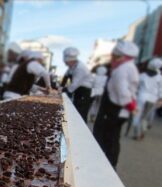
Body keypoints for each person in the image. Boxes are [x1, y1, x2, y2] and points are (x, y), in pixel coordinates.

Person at [93, 40, 139, 168]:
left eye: (115, 55)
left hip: (115, 108)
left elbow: (122, 90)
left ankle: (108, 165)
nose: (113, 58)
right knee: (111, 137)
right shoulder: (128, 67)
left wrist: (130, 105)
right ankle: (108, 163)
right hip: (118, 107)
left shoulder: (123, 69)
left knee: (108, 138)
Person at [131, 58, 162, 140]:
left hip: (141, 98)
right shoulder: (160, 78)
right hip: (152, 99)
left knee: (137, 116)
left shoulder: (142, 75)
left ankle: (137, 133)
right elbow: (161, 90)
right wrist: (160, 99)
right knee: (144, 117)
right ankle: (142, 132)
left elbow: (135, 87)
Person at [62, 47, 94, 122]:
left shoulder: (80, 68)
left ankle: (81, 130)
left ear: (71, 61)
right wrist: (61, 86)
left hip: (84, 91)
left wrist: (64, 90)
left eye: (66, 62)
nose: (66, 64)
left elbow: (74, 85)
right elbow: (66, 76)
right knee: (76, 109)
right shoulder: (72, 67)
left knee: (81, 112)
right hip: (78, 91)